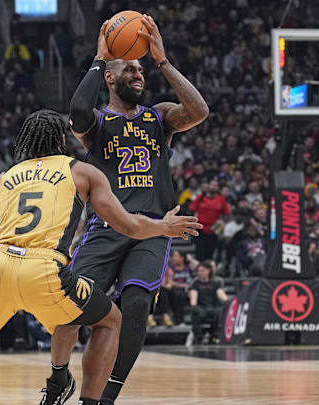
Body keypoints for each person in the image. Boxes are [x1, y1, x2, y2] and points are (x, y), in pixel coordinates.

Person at [0, 110, 201, 405]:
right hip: (44, 269)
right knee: (110, 320)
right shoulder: (81, 171)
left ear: (25, 142)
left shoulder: (3, 178)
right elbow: (129, 225)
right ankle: (87, 399)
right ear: (61, 139)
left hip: (0, 268)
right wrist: (164, 226)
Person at [56, 15, 209, 405]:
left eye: (140, 69)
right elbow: (76, 109)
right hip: (106, 229)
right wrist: (100, 57)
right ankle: (60, 377)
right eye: (130, 68)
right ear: (110, 77)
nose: (137, 73)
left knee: (137, 303)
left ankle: (104, 397)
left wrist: (162, 61)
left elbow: (199, 111)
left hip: (155, 229)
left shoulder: (159, 117)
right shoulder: (97, 123)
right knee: (72, 306)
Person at [188, 261, 227, 345]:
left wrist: (227, 302)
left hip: (213, 308)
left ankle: (214, 335)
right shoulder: (196, 283)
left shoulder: (215, 283)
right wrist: (193, 305)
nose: (200, 272)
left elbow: (221, 294)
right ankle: (199, 336)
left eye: (202, 270)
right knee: (194, 311)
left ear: (208, 271)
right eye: (199, 271)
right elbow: (193, 296)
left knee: (220, 312)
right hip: (201, 308)